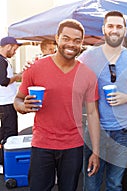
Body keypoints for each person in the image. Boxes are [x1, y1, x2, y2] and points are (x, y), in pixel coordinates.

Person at [14, 19, 100, 191]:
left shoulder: (88, 75)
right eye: (66, 38)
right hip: (42, 144)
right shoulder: (35, 68)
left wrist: (96, 152)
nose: (71, 44)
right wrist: (23, 107)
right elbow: (18, 100)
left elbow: (92, 114)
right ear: (57, 38)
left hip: (73, 146)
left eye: (77, 41)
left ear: (82, 43)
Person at [78, 11, 127, 191]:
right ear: (103, 29)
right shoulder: (88, 56)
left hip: (123, 131)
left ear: (125, 30)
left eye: (119, 26)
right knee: (91, 183)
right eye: (110, 26)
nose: (114, 30)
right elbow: (66, 72)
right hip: (95, 130)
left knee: (114, 184)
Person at [0, 36, 22, 170]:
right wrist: (18, 76)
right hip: (6, 103)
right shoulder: (2, 61)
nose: (14, 52)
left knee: (3, 133)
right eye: (14, 49)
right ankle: (6, 164)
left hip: (4, 102)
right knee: (10, 134)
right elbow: (3, 81)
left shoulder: (3, 61)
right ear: (8, 46)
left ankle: (3, 161)